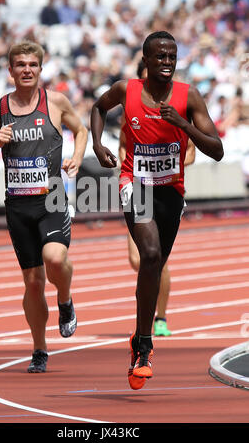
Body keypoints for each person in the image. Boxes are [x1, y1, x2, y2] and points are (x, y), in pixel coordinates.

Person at [91, 31, 223, 390]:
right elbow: (98, 108)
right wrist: (98, 144)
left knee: (156, 263)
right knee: (148, 255)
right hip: (134, 184)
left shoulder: (188, 96)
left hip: (171, 193)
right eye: (159, 57)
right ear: (145, 61)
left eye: (172, 56)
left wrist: (183, 124)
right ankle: (145, 347)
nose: (166, 62)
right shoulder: (126, 90)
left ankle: (138, 337)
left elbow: (217, 150)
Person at [0, 40, 88, 373]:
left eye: (32, 65)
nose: (26, 70)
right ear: (10, 71)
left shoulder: (55, 102)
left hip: (51, 198)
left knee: (55, 258)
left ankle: (65, 299)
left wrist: (77, 158)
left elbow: (80, 130)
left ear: (41, 68)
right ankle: (40, 349)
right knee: (34, 282)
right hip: (18, 205)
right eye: (20, 65)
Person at [118, 60, 196, 338]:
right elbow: (123, 147)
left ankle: (159, 318)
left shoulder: (177, 106)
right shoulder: (131, 106)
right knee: (137, 258)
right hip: (137, 189)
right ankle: (146, 313)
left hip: (167, 190)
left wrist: (169, 163)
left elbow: (190, 153)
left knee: (156, 259)